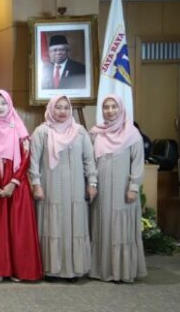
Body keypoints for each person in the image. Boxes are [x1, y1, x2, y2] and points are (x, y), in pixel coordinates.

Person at [29, 95, 96, 282]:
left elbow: (89, 160)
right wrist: (36, 184)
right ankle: (51, 269)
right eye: (58, 107)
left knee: (74, 227)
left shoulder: (80, 131)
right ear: (51, 108)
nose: (62, 111)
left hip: (76, 190)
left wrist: (92, 182)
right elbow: (33, 162)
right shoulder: (41, 132)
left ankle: (73, 270)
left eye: (66, 107)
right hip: (50, 189)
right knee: (52, 226)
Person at [0, 90, 43, 282]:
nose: (0, 107)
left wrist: (14, 182)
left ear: (10, 105)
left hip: (16, 185)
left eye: (4, 103)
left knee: (18, 228)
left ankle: (19, 270)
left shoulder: (19, 129)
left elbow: (26, 158)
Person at [89, 94, 148, 282]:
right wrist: (91, 183)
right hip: (101, 191)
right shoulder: (96, 133)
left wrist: (134, 187)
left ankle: (123, 271)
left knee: (121, 228)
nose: (110, 111)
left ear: (121, 109)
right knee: (103, 226)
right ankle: (102, 270)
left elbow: (138, 163)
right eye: (106, 107)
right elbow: (89, 161)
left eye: (114, 107)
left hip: (123, 191)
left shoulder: (132, 134)